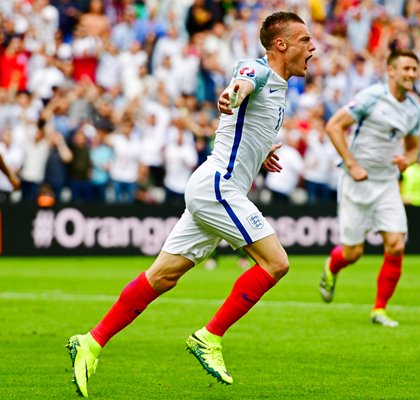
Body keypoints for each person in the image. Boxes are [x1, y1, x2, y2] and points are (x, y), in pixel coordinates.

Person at [66, 11, 315, 397]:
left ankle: (91, 341)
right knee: (276, 262)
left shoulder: (280, 87)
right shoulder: (259, 70)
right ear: (281, 45)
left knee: (162, 276)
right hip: (220, 187)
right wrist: (230, 94)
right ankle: (209, 337)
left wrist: (261, 150)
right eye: (304, 40)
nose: (312, 48)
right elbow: (242, 84)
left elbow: (247, 122)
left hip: (212, 185)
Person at [319, 49, 420, 327]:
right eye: (406, 69)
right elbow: (333, 127)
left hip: (387, 182)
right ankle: (332, 265)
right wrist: (352, 164)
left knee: (396, 245)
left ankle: (380, 309)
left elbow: (413, 147)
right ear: (391, 71)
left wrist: (407, 160)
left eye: (415, 69)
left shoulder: (414, 109)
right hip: (356, 181)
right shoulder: (371, 97)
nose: (411, 74)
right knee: (353, 253)